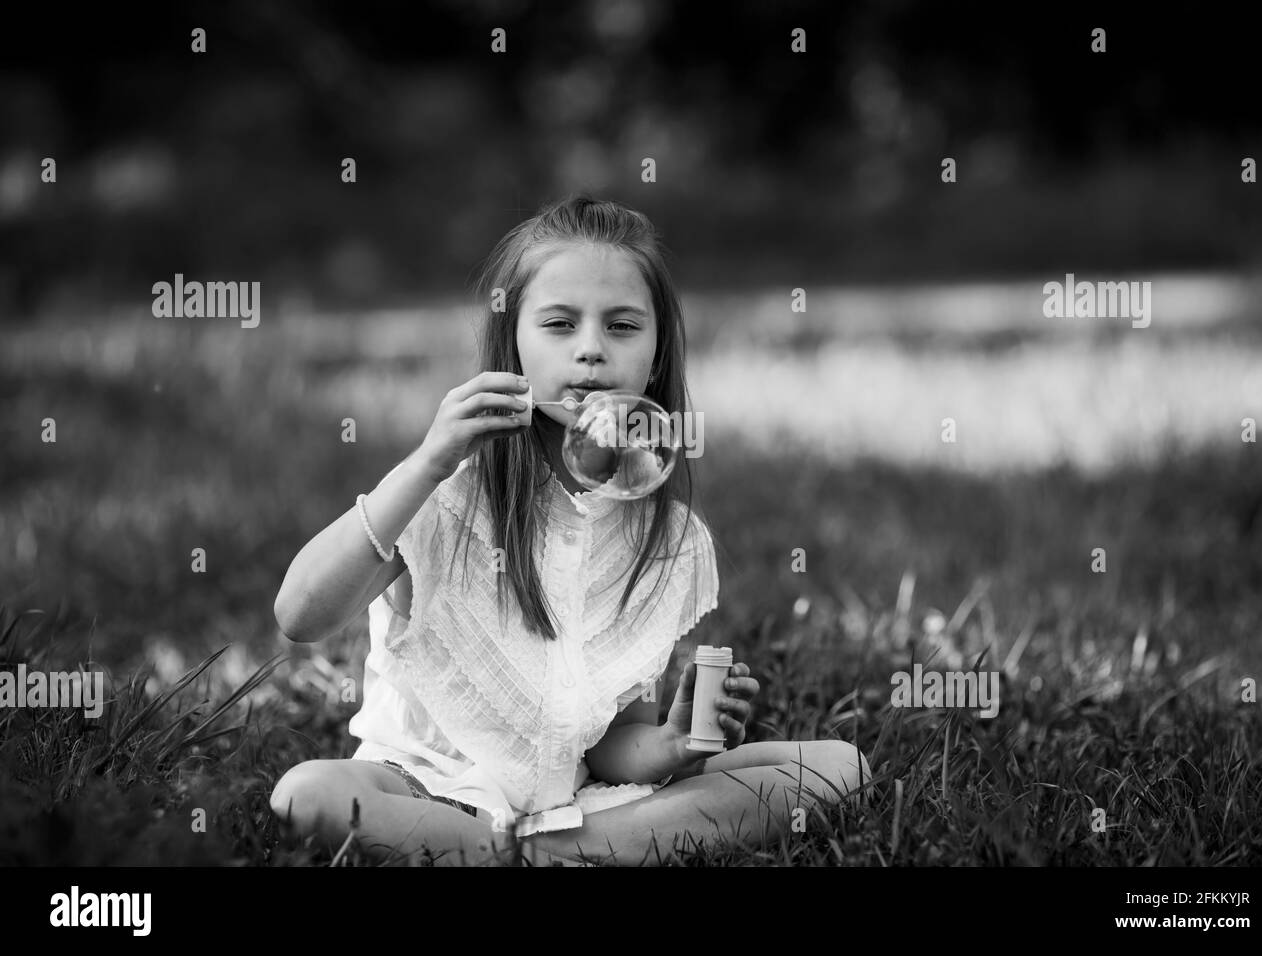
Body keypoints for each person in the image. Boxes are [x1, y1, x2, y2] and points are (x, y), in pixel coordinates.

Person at [270, 195, 870, 866]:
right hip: (421, 787)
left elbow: (615, 741)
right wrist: (425, 464)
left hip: (578, 800)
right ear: (514, 341)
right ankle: (566, 853)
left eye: (621, 326)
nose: (590, 350)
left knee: (836, 767)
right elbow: (300, 615)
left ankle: (531, 852)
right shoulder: (444, 497)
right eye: (559, 324)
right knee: (307, 794)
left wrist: (670, 744)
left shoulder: (666, 538)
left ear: (656, 352)